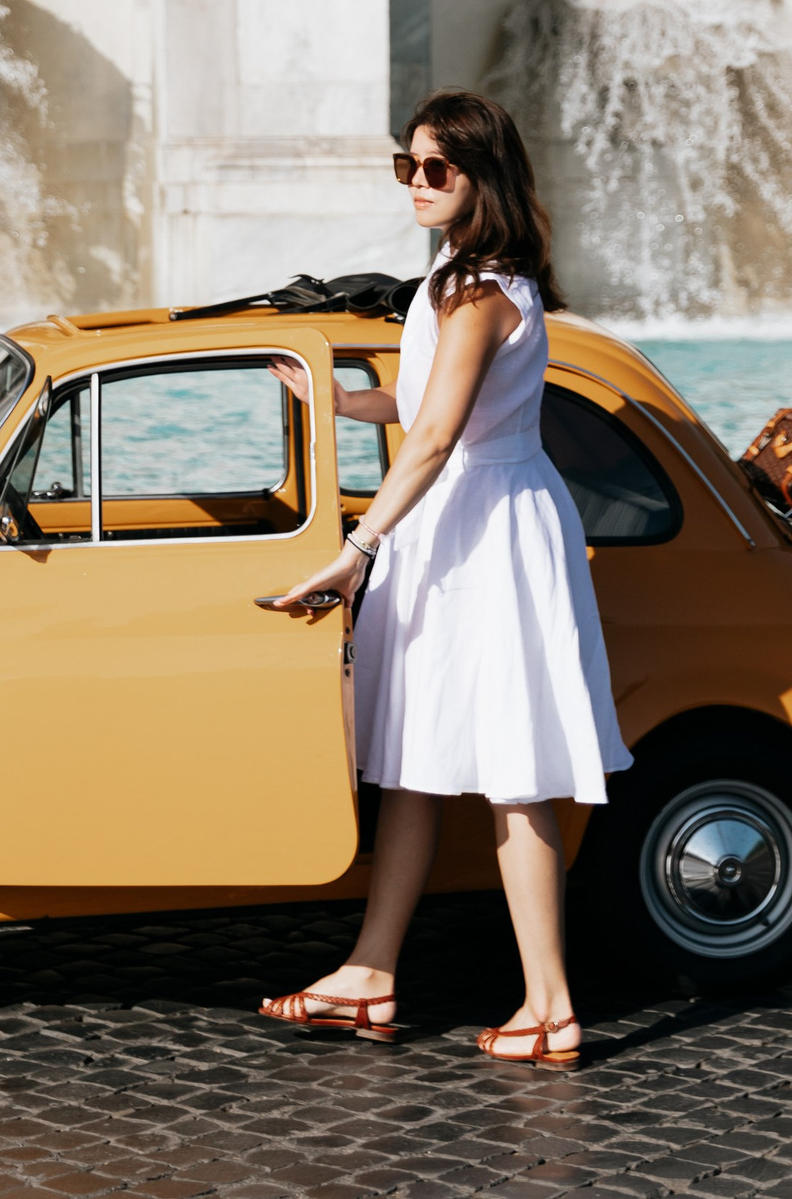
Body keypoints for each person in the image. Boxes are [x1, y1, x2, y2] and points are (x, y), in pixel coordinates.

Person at [260, 90, 629, 1065]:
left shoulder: (481, 292)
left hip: (488, 533)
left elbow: (434, 437)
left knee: (515, 771)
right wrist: (341, 401)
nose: (416, 183)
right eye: (407, 165)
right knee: (415, 761)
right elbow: (421, 404)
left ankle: (551, 1006)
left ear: (480, 176)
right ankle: (370, 974)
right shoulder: (458, 280)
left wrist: (358, 549)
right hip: (456, 522)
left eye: (436, 168)